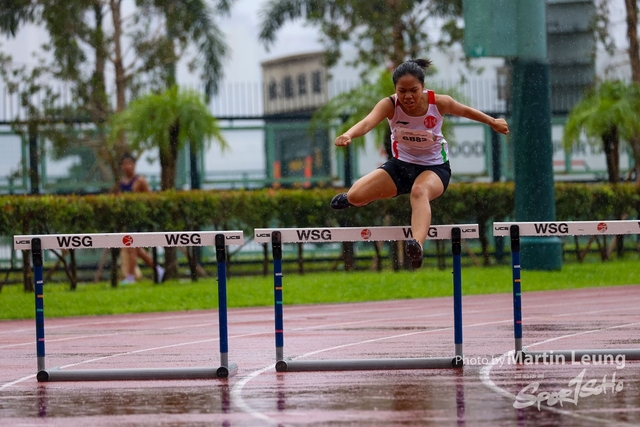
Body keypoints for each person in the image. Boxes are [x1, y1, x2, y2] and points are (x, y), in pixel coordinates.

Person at [330, 59, 509, 268]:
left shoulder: (439, 102)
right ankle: (352, 198)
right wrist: (349, 134)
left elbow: (466, 111)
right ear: (395, 89)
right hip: (401, 166)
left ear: (423, 87)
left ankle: (417, 245)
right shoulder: (390, 105)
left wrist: (493, 122)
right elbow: (368, 122)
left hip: (434, 169)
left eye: (413, 90)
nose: (408, 96)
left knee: (419, 191)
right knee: (355, 195)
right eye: (402, 91)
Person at [118, 153, 165, 284]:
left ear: (134, 165)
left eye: (129, 163)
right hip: (128, 219)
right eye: (124, 164)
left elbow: (150, 199)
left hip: (138, 219)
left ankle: (130, 277)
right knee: (137, 249)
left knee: (132, 247)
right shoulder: (122, 182)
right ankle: (158, 270)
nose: (127, 166)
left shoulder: (140, 181)